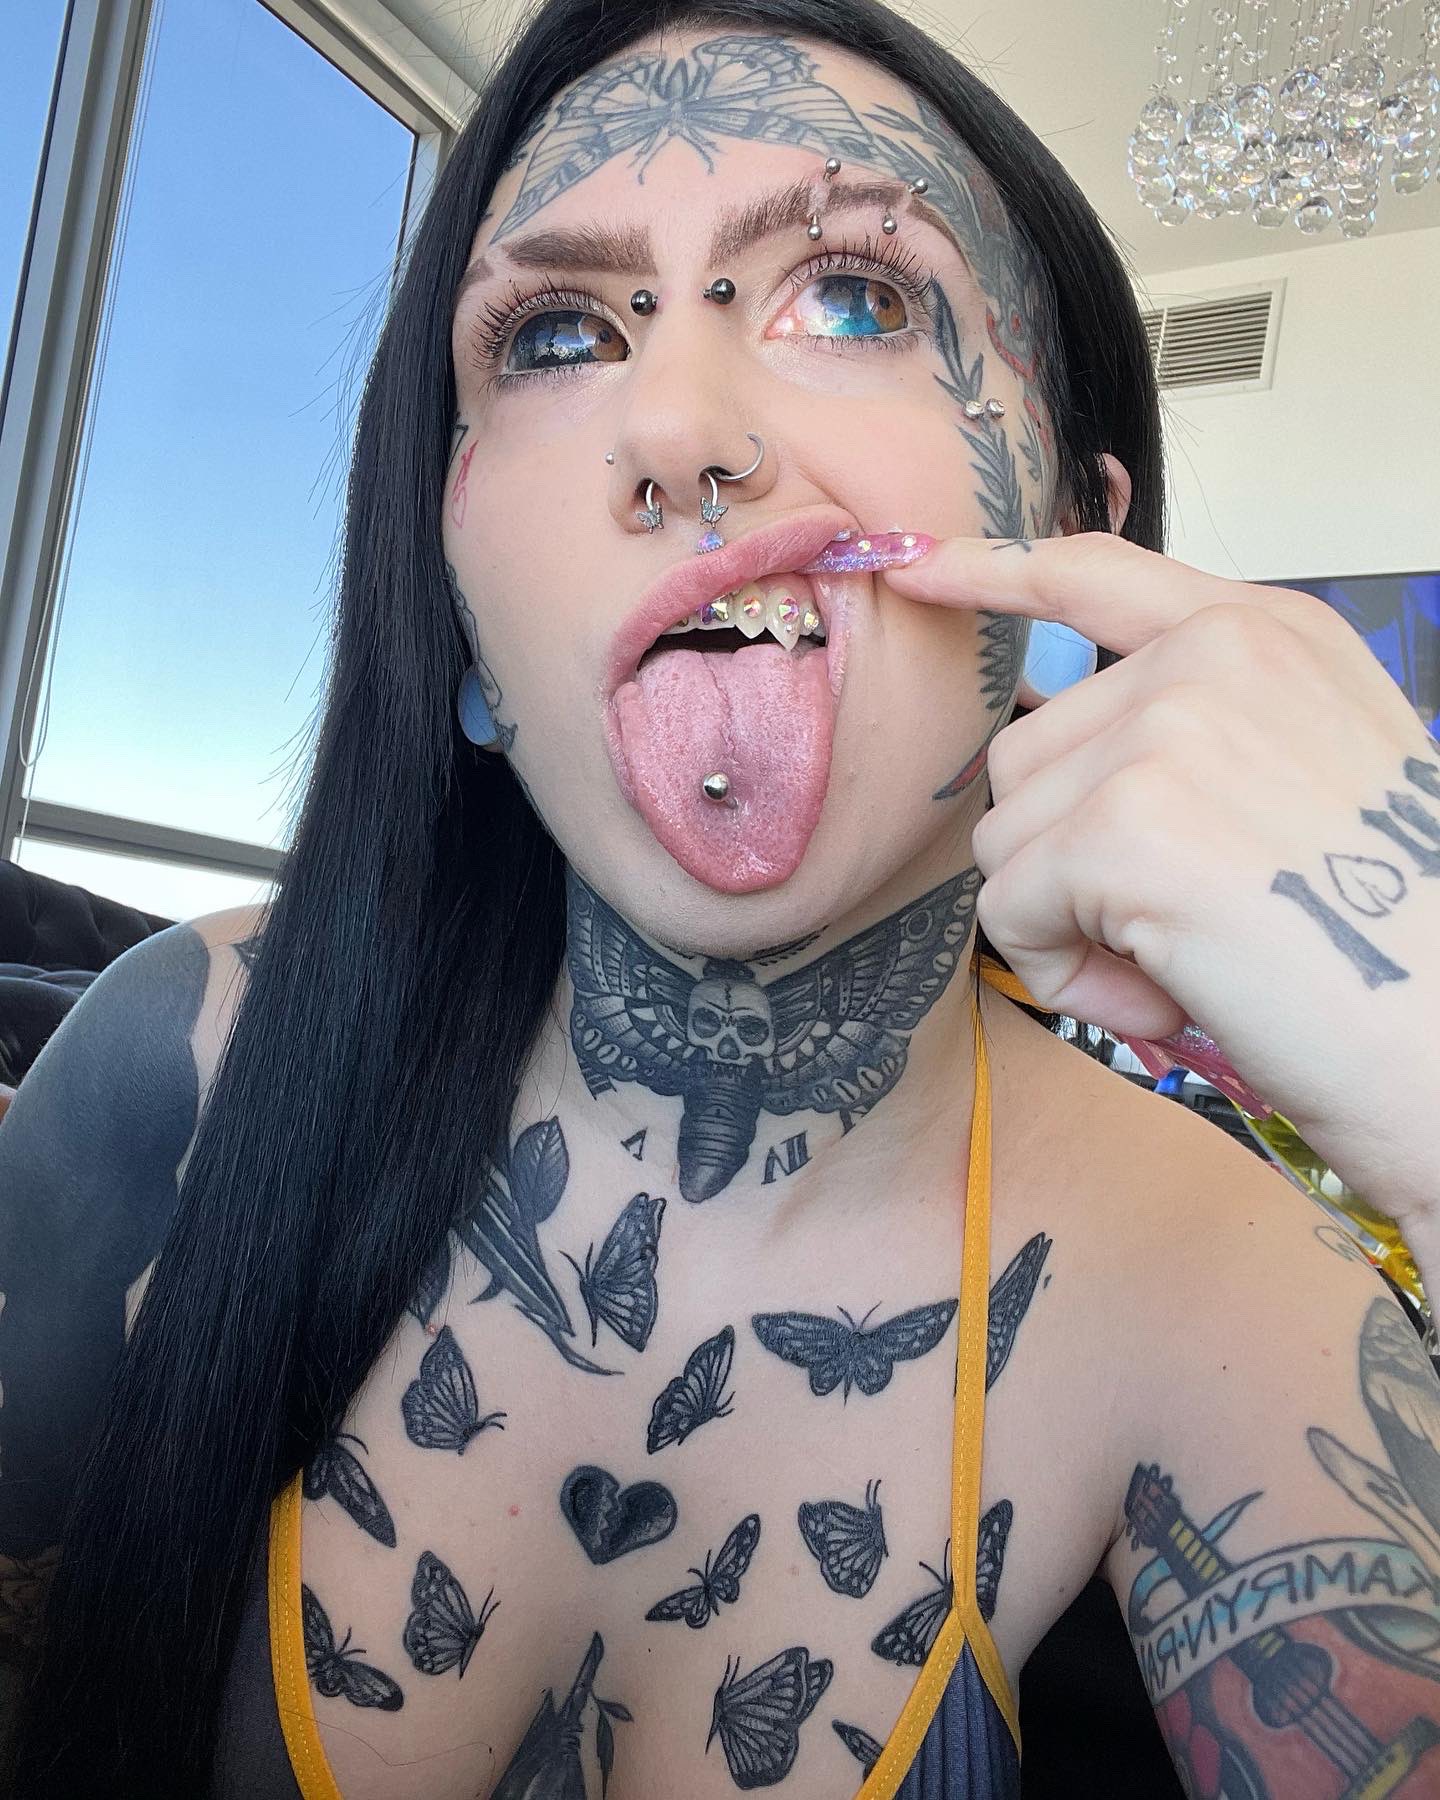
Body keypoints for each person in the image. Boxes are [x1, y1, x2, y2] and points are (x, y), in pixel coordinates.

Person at [2, 0, 1437, 1794]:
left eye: (857, 297)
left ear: (1078, 539)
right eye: (556, 335)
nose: (677, 426)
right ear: (462, 615)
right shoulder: (180, 1070)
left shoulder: (1250, 1307)